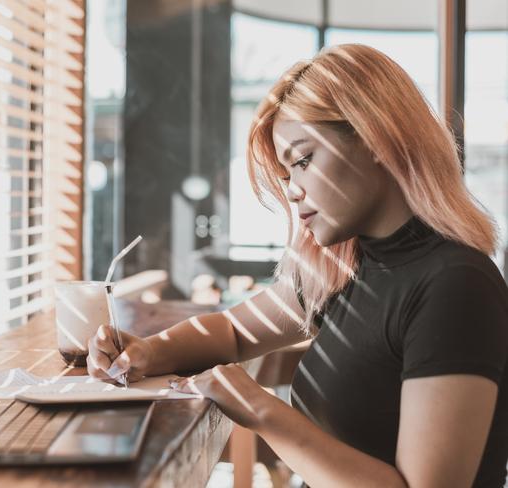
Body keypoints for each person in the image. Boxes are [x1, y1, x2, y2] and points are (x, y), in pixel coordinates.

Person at [87, 44, 508, 487]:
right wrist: (149, 351)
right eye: (287, 175)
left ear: (377, 141)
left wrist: (260, 409)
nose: (291, 192)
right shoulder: (347, 265)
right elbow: (233, 332)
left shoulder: (456, 288)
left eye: (304, 161)